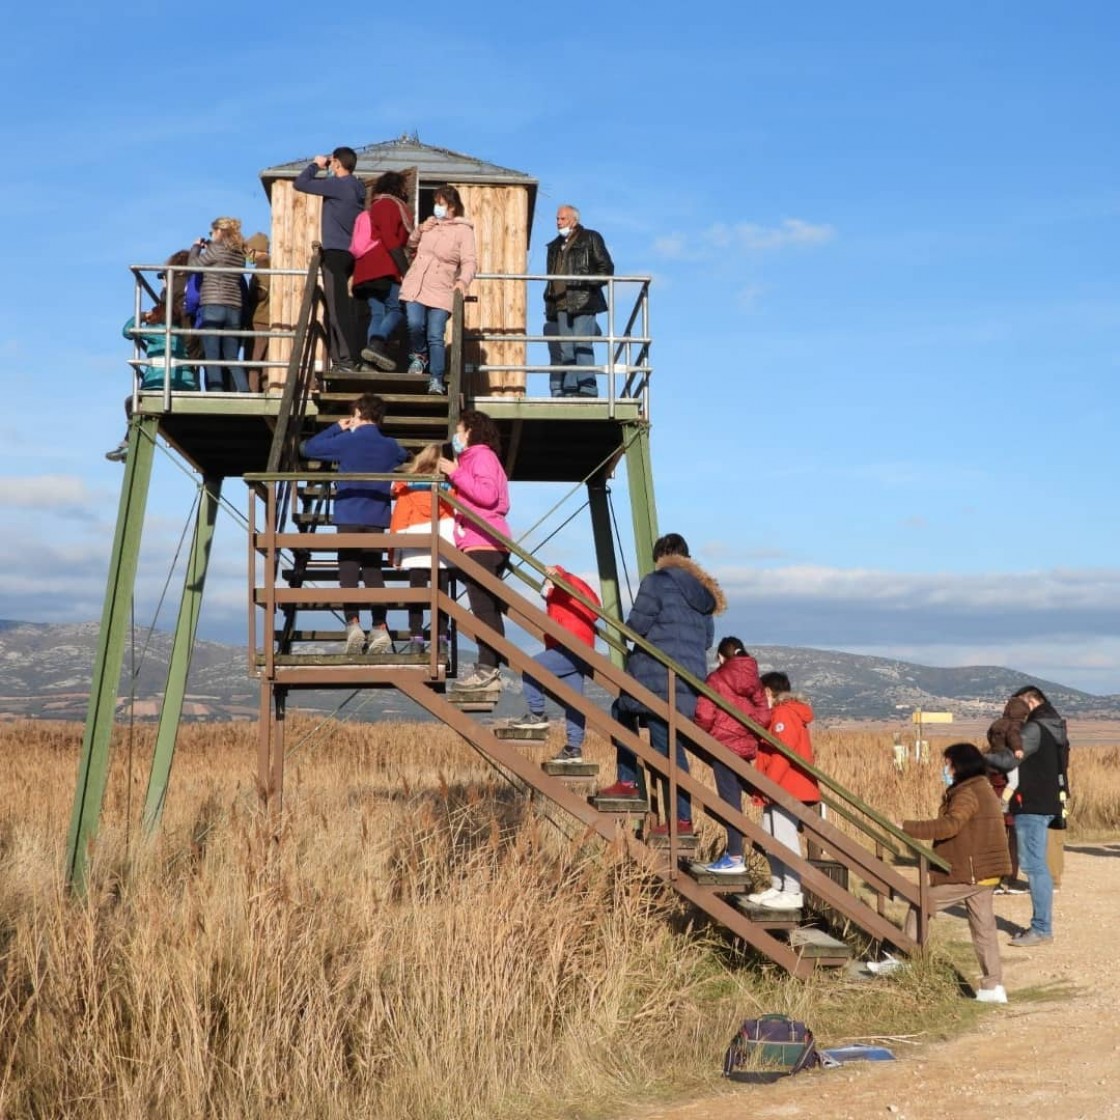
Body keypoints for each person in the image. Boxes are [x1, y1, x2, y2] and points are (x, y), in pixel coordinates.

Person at [598, 534, 725, 835]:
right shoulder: (704, 594)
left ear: (662, 556)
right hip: (690, 682)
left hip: (657, 678)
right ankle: (668, 810)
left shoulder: (657, 581)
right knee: (664, 741)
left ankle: (669, 812)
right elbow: (707, 640)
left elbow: (636, 628)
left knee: (634, 722)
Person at [901, 742, 1012, 1003]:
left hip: (971, 871)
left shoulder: (967, 793)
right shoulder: (982, 787)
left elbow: (950, 826)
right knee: (984, 928)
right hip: (985, 871)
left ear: (959, 765)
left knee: (921, 901)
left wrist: (907, 827)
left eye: (948, 763)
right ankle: (993, 986)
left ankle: (903, 959)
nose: (945, 768)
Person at [300, 394, 407, 655]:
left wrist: (338, 427)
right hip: (377, 516)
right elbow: (405, 455)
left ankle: (353, 623)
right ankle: (380, 625)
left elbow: (309, 448)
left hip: (349, 513)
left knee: (348, 569)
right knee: (373, 572)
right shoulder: (390, 445)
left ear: (358, 412)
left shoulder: (347, 440)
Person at [437, 410, 510, 688]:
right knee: (487, 608)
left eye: (459, 430)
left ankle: (487, 669)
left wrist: (455, 473)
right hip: (486, 540)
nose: (456, 435)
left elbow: (487, 495)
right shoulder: (481, 458)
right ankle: (489, 668)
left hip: (483, 541)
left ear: (470, 432)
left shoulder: (481, 456)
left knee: (483, 609)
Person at [743, 671, 821, 909]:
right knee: (771, 837)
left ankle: (792, 890)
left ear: (767, 692)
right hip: (781, 785)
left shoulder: (783, 714)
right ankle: (778, 886)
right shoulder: (783, 713)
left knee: (784, 838)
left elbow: (782, 753)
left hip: (787, 786)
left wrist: (769, 785)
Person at [508, 565, 601, 764]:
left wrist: (557, 575)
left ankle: (537, 715)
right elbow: (592, 605)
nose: (545, 591)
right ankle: (573, 748)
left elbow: (576, 591)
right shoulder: (563, 597)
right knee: (574, 700)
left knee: (532, 667)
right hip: (579, 648)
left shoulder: (565, 583)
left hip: (570, 646)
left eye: (546, 584)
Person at [694, 637, 770, 874]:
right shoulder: (755, 682)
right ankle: (739, 854)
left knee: (729, 801)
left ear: (720, 657)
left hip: (723, 747)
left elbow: (705, 715)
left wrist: (702, 731)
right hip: (744, 749)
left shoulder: (716, 679)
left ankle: (735, 856)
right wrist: (746, 728)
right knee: (736, 797)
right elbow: (764, 716)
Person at [1005, 685, 1068, 946]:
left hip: (1030, 802)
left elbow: (1009, 761)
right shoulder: (1055, 726)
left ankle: (1041, 929)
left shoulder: (1033, 729)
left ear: (1030, 702)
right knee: (1038, 863)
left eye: (1017, 705)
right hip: (1047, 800)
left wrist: (974, 762)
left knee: (1033, 865)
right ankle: (1042, 927)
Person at [294, 147, 366, 373]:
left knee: (336, 309)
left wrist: (316, 164)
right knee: (342, 307)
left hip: (334, 254)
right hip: (351, 253)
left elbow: (301, 183)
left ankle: (345, 360)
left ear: (337, 163)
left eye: (333, 162)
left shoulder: (338, 185)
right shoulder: (357, 187)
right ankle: (344, 358)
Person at [400, 185, 477, 395]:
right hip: (417, 283)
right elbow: (411, 244)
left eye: (441, 204)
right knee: (415, 323)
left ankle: (436, 379)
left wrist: (463, 281)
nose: (437, 207)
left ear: (452, 206)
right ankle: (419, 355)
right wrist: (420, 229)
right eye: (436, 203)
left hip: (442, 288)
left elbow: (469, 262)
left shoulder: (464, 230)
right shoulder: (430, 225)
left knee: (435, 334)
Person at [105, 302, 198, 461]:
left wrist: (141, 316)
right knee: (137, 404)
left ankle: (129, 445)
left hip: (161, 382)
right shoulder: (179, 334)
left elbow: (127, 331)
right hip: (185, 384)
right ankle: (127, 445)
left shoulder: (158, 331)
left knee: (132, 403)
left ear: (160, 315)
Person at [388, 442, 455, 653]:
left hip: (414, 547)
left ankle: (416, 638)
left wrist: (394, 553)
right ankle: (441, 639)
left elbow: (399, 520)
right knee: (441, 595)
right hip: (442, 545)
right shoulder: (451, 488)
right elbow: (457, 516)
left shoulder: (407, 486)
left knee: (416, 595)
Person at [543, 205, 614, 398]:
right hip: (560, 302)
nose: (558, 222)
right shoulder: (555, 246)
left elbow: (606, 268)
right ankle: (571, 388)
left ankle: (587, 388)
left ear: (574, 220)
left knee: (582, 344)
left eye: (563, 218)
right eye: (557, 219)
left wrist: (583, 283)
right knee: (566, 348)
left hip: (584, 300)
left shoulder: (591, 237)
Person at [353, 171, 415, 373]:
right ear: (397, 187)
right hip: (385, 266)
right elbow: (390, 239)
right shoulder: (390, 205)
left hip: (365, 269)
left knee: (377, 313)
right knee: (398, 309)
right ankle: (376, 345)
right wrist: (405, 270)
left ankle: (370, 363)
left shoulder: (374, 207)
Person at [188, 217, 249, 391]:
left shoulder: (215, 248)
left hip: (213, 305)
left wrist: (196, 247)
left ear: (219, 231)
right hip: (234, 307)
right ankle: (243, 391)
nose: (211, 235)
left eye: (211, 232)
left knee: (212, 355)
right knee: (231, 356)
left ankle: (216, 392)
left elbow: (193, 266)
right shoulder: (239, 253)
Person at [983, 696, 1028, 893]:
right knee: (1013, 842)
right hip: (1009, 800)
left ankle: (994, 879)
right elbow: (1015, 741)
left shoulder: (995, 728)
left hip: (991, 798)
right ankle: (1010, 880)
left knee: (994, 842)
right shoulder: (1014, 727)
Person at [243, 232, 272, 393]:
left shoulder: (263, 265)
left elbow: (262, 291)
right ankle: (266, 389)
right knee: (267, 358)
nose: (247, 255)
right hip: (270, 318)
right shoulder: (273, 264)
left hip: (259, 318)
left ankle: (252, 391)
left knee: (254, 358)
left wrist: (248, 298)